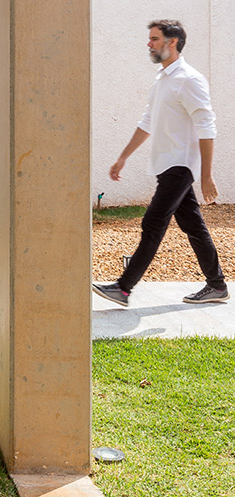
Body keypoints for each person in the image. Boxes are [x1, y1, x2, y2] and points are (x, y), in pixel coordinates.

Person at [93, 19, 228, 307]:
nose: (149, 44)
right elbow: (147, 122)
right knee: (194, 226)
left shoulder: (189, 79)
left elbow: (207, 126)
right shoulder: (163, 79)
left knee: (153, 222)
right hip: (165, 165)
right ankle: (216, 285)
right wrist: (122, 158)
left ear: (172, 42)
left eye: (154, 39)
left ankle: (123, 287)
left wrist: (206, 175)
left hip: (180, 165)